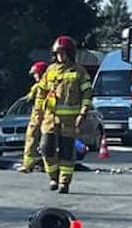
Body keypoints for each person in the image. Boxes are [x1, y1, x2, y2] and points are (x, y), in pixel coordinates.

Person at [34, 36, 93, 193]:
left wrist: (82, 113)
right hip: (50, 119)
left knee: (67, 153)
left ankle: (64, 182)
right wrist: (38, 112)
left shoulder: (79, 72)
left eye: (63, 53)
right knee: (46, 149)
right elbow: (41, 93)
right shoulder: (50, 70)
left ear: (70, 53)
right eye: (58, 53)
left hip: (70, 121)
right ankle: (53, 177)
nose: (60, 56)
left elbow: (87, 94)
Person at [17, 61, 48, 173]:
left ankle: (28, 164)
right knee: (46, 142)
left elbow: (29, 98)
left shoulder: (41, 86)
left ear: (40, 73)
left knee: (32, 139)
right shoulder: (47, 85)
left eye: (35, 73)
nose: (34, 76)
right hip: (46, 118)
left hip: (40, 118)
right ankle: (43, 163)